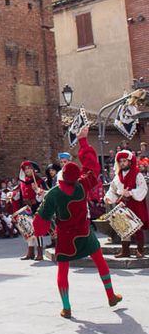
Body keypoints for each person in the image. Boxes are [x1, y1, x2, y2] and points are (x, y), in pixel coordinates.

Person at [33, 127, 122, 318]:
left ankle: (66, 307)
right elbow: (92, 167)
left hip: (66, 237)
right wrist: (83, 141)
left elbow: (41, 221)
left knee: (63, 270)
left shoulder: (54, 194)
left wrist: (41, 229)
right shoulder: (82, 184)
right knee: (100, 261)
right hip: (84, 232)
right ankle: (110, 295)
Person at [105, 148, 149, 258]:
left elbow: (143, 188)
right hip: (123, 204)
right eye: (120, 161)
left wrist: (131, 192)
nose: (122, 163)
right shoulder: (117, 176)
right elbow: (113, 189)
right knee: (123, 227)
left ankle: (140, 250)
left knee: (137, 227)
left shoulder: (137, 174)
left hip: (135, 203)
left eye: (124, 161)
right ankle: (125, 251)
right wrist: (108, 197)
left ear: (129, 161)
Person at [18, 160, 46, 260]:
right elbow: (20, 195)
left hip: (36, 207)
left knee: (37, 230)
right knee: (28, 230)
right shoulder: (22, 182)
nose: (27, 170)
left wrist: (38, 191)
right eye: (25, 169)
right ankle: (30, 252)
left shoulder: (39, 181)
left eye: (29, 168)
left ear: (33, 170)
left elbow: (46, 194)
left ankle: (40, 253)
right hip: (26, 208)